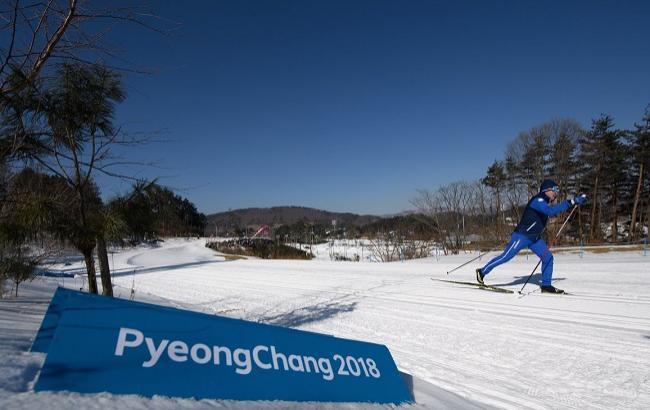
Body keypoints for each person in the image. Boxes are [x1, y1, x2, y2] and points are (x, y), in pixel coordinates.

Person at [476, 179, 587, 294]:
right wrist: (571, 202)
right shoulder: (538, 200)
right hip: (522, 236)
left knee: (548, 258)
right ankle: (482, 272)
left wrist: (576, 202)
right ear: (547, 190)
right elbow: (549, 212)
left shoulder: (544, 201)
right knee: (506, 257)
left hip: (535, 238)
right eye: (555, 190)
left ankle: (546, 285)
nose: (556, 193)